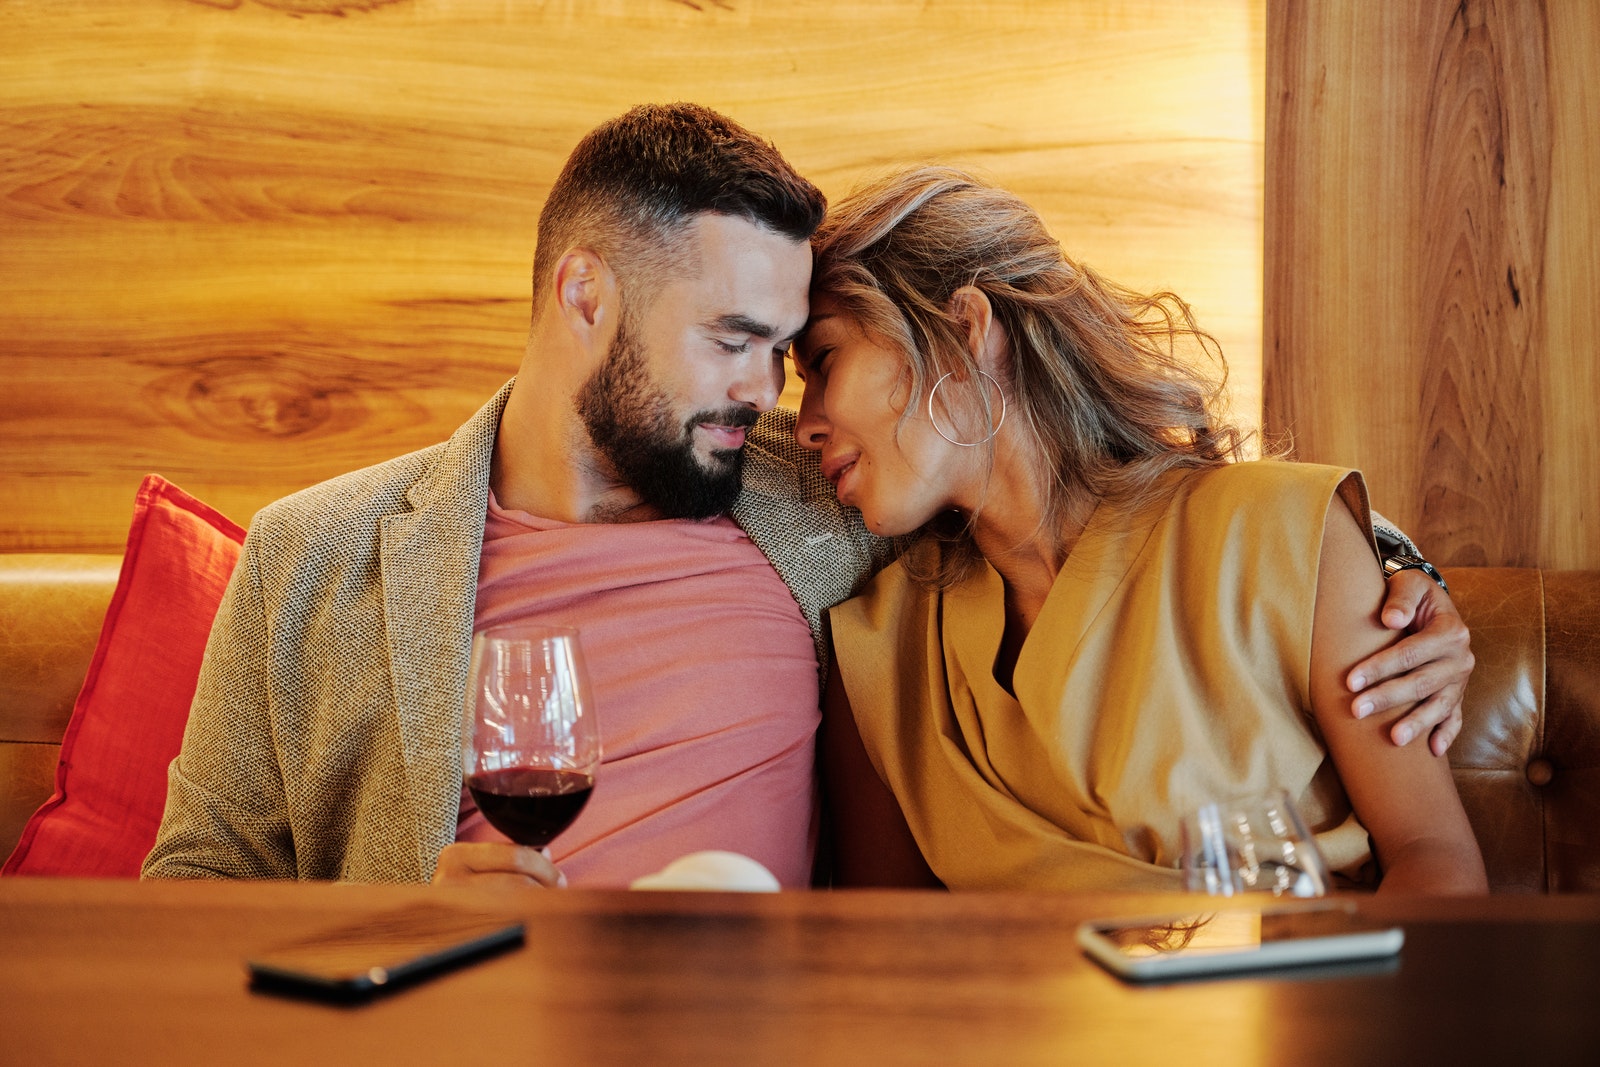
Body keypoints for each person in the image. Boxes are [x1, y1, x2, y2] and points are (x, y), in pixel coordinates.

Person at [142, 106, 1472, 891]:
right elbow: (185, 898)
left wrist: (1400, 577)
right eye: (733, 340)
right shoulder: (313, 555)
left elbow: (1152, 525)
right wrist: (402, 925)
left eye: (793, 354)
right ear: (584, 296)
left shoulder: (824, 511)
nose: (771, 400)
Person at [793, 166, 1486, 893]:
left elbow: (1434, 858)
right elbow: (887, 952)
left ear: (965, 330)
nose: (805, 424)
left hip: (1296, 998)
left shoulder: (1282, 534)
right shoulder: (878, 654)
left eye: (825, 362)